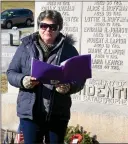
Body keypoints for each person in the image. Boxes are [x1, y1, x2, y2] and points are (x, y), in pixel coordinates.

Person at [6, 10, 86, 144]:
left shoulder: (69, 50)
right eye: (44, 26)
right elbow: (11, 72)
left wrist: (69, 86)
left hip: (57, 114)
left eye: (52, 27)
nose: (47, 29)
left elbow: (79, 79)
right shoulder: (25, 47)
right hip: (30, 114)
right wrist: (23, 80)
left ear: (58, 28)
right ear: (39, 26)